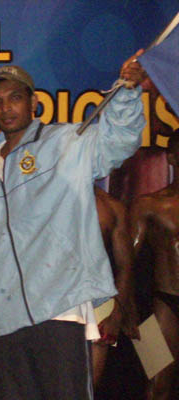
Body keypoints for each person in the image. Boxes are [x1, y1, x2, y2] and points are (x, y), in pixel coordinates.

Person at [0, 52, 147, 400]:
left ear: (33, 103)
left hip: (62, 308)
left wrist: (128, 92)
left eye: (15, 97)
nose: (5, 108)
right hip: (7, 318)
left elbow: (119, 141)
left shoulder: (65, 142)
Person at [129, 130, 179, 400]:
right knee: (156, 386)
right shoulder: (148, 205)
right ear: (171, 157)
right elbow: (125, 263)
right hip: (160, 305)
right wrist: (125, 309)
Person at [92, 186, 139, 388]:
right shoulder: (46, 196)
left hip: (97, 302)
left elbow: (125, 266)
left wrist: (117, 314)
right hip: (52, 302)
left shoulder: (112, 207)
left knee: (87, 389)